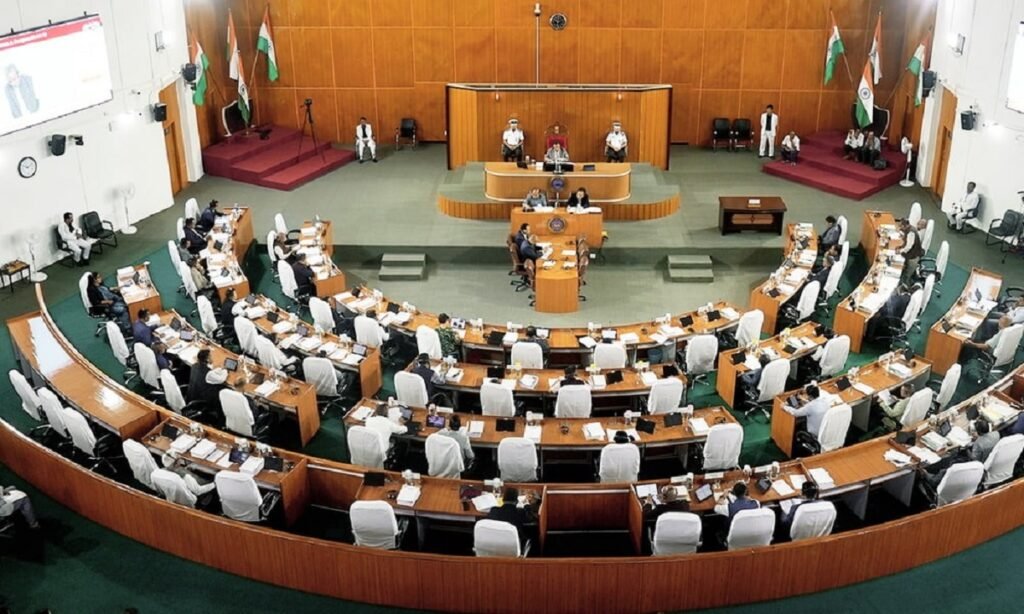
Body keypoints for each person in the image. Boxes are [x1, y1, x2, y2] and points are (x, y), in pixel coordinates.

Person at [899, 218, 923, 286]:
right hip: (911, 255)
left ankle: (906, 288)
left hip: (913, 258)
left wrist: (900, 251)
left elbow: (909, 246)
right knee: (904, 271)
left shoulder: (911, 233)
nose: (900, 227)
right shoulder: (910, 228)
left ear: (905, 225)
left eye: (901, 226)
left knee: (907, 276)